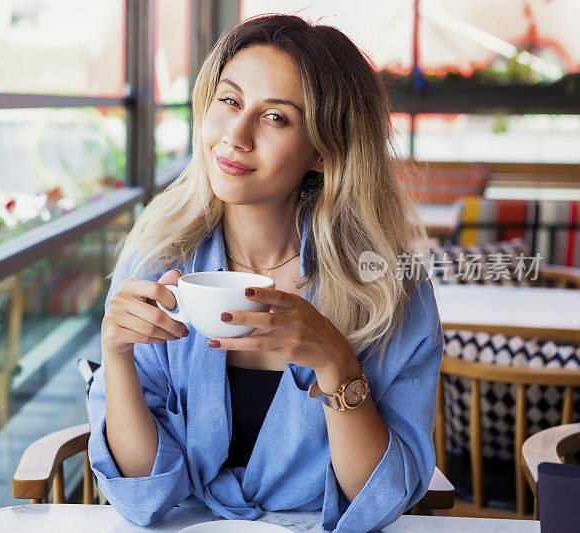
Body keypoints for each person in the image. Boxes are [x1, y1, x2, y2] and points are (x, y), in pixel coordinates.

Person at [87, 14, 443, 533]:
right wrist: (116, 358)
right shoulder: (157, 258)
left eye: (275, 117)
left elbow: (379, 501)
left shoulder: (390, 292)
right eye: (229, 101)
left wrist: (335, 360)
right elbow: (142, 494)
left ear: (323, 151)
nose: (235, 135)